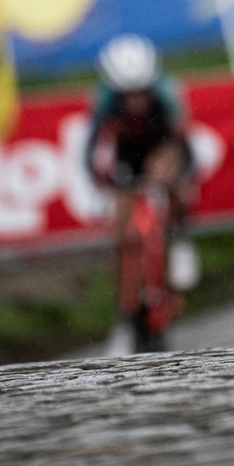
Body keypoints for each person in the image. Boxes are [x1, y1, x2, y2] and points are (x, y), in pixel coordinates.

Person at [85, 33, 198, 355]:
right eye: (127, 94)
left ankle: (180, 240)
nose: (135, 100)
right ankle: (124, 311)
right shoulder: (104, 99)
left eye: (141, 92)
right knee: (121, 229)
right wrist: (101, 180)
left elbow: (186, 147)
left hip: (161, 150)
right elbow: (89, 150)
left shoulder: (167, 93)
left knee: (168, 173)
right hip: (127, 159)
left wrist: (177, 177)